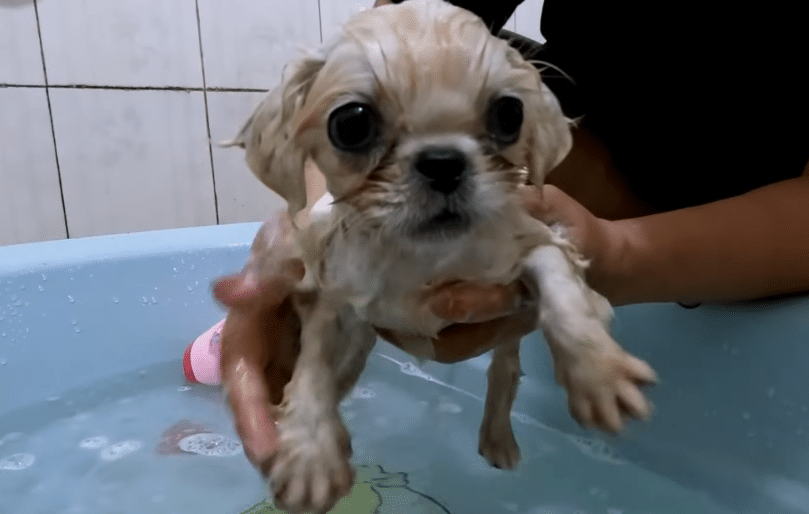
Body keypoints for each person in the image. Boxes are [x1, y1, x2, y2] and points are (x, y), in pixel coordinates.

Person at [210, 0, 809, 474]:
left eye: (500, 119)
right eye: (357, 127)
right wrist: (313, 228)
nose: (437, 164)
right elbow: (390, 34)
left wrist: (614, 254)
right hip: (593, 135)